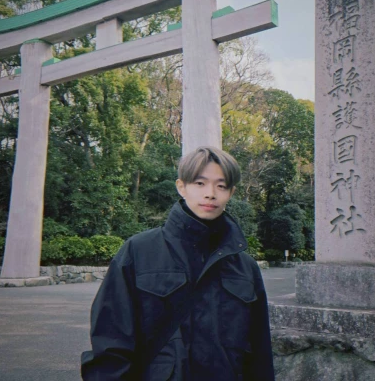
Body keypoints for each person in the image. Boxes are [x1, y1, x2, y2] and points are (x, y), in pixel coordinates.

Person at [81, 146, 275, 381]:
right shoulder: (139, 251)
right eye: (200, 183)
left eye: (221, 186)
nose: (210, 194)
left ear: (231, 192)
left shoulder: (245, 267)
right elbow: (110, 343)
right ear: (181, 187)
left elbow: (259, 353)